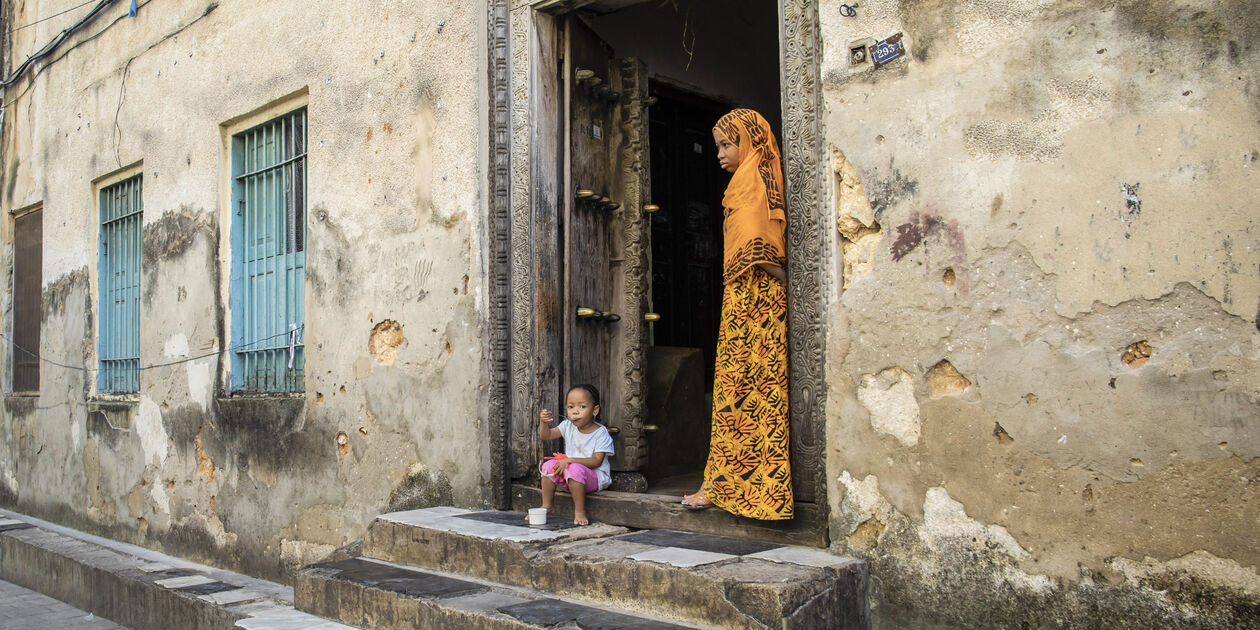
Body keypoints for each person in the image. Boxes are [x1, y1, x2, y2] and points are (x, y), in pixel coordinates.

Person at [681, 108, 793, 520]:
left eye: (728, 144)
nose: (720, 154)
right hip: (743, 303)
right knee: (736, 394)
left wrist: (782, 284)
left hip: (758, 307)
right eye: (718, 146)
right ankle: (726, 485)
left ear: (749, 142)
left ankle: (755, 492)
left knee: (752, 395)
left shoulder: (758, 184)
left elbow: (763, 249)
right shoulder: (747, 185)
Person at [535, 384, 614, 525]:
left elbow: (597, 461)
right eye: (571, 407)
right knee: (548, 466)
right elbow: (546, 436)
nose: (575, 412)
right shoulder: (567, 425)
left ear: (595, 410)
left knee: (574, 469)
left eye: (582, 407)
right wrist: (543, 423)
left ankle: (579, 511)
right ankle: (547, 505)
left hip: (595, 478)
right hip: (570, 473)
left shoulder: (601, 433)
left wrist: (570, 460)